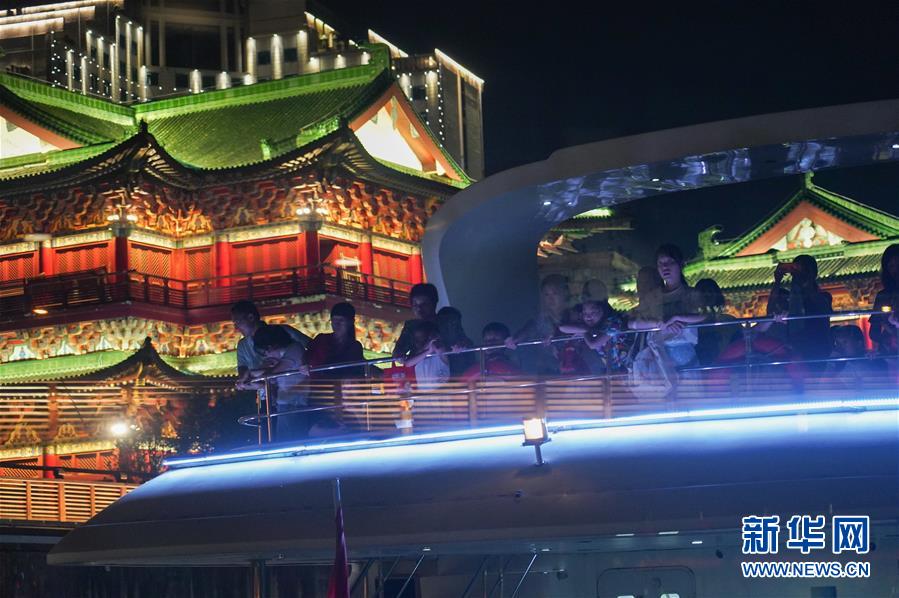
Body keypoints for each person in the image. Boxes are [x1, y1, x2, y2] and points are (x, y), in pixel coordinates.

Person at [627, 244, 707, 396]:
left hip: (685, 356)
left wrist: (676, 318)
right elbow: (632, 323)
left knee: (690, 399)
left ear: (680, 264)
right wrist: (659, 324)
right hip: (658, 357)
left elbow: (703, 315)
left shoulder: (692, 294)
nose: (665, 267)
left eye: (670, 262)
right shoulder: (652, 297)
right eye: (661, 264)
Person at [251, 324, 312, 440]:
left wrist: (255, 376)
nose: (267, 355)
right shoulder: (283, 355)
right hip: (285, 403)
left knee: (294, 440)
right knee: (284, 439)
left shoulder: (294, 349)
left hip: (295, 403)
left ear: (272, 346)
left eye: (266, 351)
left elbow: (278, 370)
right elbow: (268, 376)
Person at [232, 300, 311, 391]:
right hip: (272, 393)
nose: (236, 328)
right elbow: (243, 370)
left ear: (251, 317)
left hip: (296, 389)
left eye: (237, 322)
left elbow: (312, 347)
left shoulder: (284, 332)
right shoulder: (243, 346)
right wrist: (246, 379)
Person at [506, 274, 572, 375]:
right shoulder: (540, 319)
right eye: (546, 295)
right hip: (548, 370)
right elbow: (527, 330)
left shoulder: (575, 315)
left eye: (555, 293)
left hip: (574, 368)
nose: (550, 299)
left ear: (564, 293)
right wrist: (514, 339)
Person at [559, 299, 631, 374]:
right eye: (585, 313)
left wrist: (584, 332)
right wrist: (586, 329)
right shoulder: (589, 325)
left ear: (602, 311)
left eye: (593, 312)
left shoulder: (614, 323)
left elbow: (593, 344)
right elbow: (562, 328)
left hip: (628, 366)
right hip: (609, 369)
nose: (588, 317)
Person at [306, 302, 365, 380]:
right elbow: (307, 355)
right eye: (334, 320)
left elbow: (353, 372)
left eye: (341, 320)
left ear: (350, 322)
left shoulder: (355, 347)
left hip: (337, 385)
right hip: (317, 384)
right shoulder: (321, 339)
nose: (337, 324)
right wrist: (305, 364)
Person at [694, 278, 740, 366]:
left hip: (726, 367)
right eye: (702, 292)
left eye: (710, 291)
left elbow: (741, 343)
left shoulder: (729, 321)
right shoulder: (690, 324)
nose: (707, 295)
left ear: (717, 295)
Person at [392, 283, 440, 360]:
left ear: (434, 303)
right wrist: (399, 355)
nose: (419, 309)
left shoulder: (446, 322)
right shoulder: (411, 326)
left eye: (424, 304)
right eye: (415, 305)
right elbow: (398, 351)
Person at [402, 320, 450, 389]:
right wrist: (427, 351)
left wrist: (428, 348)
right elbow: (408, 363)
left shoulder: (439, 349)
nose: (418, 342)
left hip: (437, 391)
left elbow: (435, 347)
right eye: (417, 339)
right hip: (424, 391)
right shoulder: (419, 352)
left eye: (420, 339)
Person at [870, 244, 899, 355]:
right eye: (891, 266)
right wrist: (889, 339)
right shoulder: (883, 296)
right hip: (890, 352)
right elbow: (874, 331)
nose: (896, 270)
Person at [437, 306, 476, 377]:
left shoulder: (466, 342)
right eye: (445, 322)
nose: (450, 325)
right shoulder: (434, 344)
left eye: (454, 322)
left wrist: (463, 346)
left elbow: (472, 368)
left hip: (464, 379)